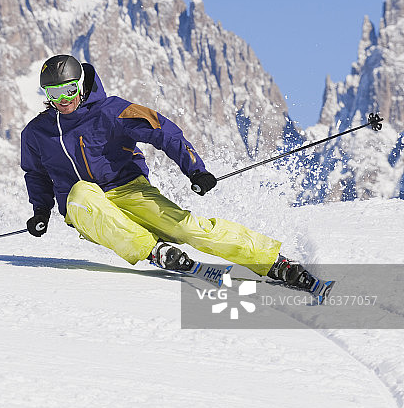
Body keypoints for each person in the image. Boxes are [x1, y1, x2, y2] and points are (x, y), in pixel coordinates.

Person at [20, 54, 316, 290]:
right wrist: (41, 212)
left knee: (184, 227)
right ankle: (153, 251)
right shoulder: (37, 132)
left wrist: (195, 170)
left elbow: (163, 131)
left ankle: (273, 262)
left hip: (129, 190)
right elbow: (35, 174)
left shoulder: (111, 111)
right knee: (82, 192)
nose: (63, 100)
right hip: (84, 208)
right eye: (54, 92)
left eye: (69, 90)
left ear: (81, 85)